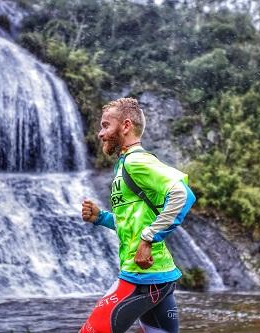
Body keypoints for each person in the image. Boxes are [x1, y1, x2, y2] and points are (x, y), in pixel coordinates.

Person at [80, 97, 196, 333]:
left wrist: (149, 237)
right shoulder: (124, 165)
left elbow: (183, 195)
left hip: (141, 276)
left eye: (105, 125)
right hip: (158, 276)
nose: (100, 133)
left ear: (125, 126)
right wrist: (101, 217)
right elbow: (131, 221)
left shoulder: (136, 161)